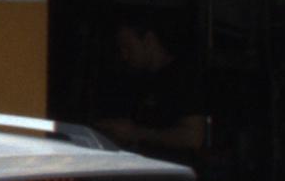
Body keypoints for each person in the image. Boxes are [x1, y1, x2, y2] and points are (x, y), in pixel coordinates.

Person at [88, 16, 211, 161]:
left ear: (148, 40)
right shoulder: (138, 79)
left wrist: (136, 133)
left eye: (128, 47)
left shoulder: (183, 77)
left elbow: (193, 138)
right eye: (121, 49)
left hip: (173, 169)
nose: (124, 55)